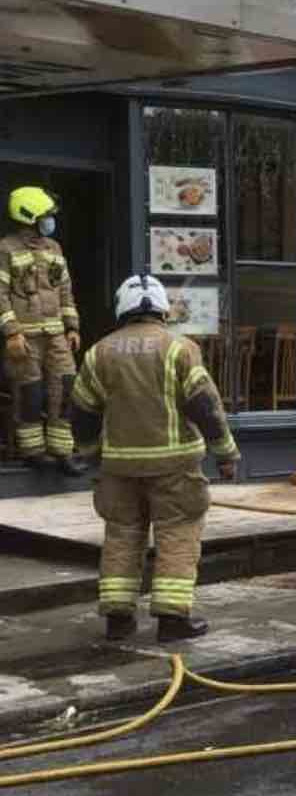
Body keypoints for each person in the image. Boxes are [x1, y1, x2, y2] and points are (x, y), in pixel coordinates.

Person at [70, 274, 240, 642]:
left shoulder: (99, 352)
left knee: (121, 536)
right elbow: (206, 407)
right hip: (175, 467)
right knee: (177, 534)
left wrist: (89, 454)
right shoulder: (180, 349)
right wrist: (226, 453)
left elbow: (82, 411)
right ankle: (172, 620)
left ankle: (118, 618)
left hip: (119, 467)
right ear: (162, 309)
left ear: (122, 308)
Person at [0, 186, 84, 475]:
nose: (50, 221)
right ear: (30, 216)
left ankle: (62, 452)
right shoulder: (6, 249)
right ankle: (33, 453)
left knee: (65, 388)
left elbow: (65, 290)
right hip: (24, 337)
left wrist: (72, 326)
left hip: (56, 334)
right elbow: (0, 293)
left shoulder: (54, 249)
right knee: (30, 393)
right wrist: (11, 332)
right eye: (46, 215)